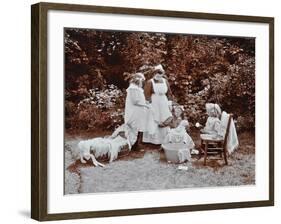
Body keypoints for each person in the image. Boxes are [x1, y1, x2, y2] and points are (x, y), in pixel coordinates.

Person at [142, 64, 173, 145]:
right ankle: (153, 140)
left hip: (164, 102)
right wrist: (149, 104)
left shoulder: (165, 81)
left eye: (160, 74)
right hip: (154, 102)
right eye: (157, 74)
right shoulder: (150, 82)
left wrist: (169, 103)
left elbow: (169, 93)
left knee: (164, 117)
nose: (159, 76)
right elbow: (146, 94)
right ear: (154, 74)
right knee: (154, 118)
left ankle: (164, 139)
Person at [124, 72, 149, 150]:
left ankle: (137, 144)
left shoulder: (136, 88)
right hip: (134, 111)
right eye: (142, 80)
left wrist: (145, 102)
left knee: (139, 126)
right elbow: (135, 101)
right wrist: (145, 105)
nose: (142, 82)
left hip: (138, 111)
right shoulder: (133, 88)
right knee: (135, 127)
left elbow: (139, 99)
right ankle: (134, 145)